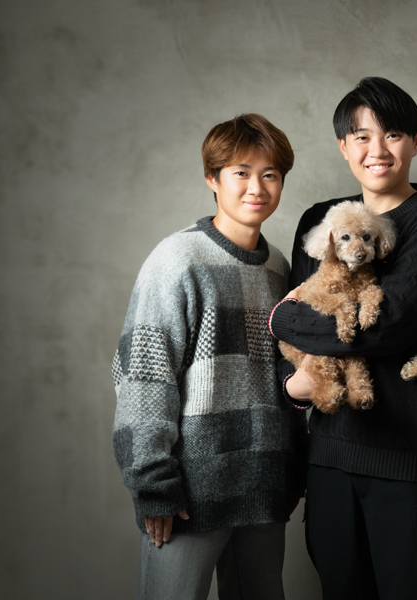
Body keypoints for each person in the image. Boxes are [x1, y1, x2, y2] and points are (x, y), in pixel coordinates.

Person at [268, 77, 417, 600]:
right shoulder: (322, 221)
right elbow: (302, 326)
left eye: (393, 134)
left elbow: (388, 326)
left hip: (413, 464)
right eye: (361, 137)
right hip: (330, 462)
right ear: (343, 146)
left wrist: (281, 320)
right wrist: (292, 377)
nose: (377, 150)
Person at [111, 113, 307, 600]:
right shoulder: (177, 260)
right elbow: (142, 376)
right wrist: (154, 484)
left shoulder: (279, 267)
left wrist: (292, 470)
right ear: (212, 179)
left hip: (263, 487)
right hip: (189, 494)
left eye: (270, 174)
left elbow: (286, 373)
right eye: (241, 172)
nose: (257, 187)